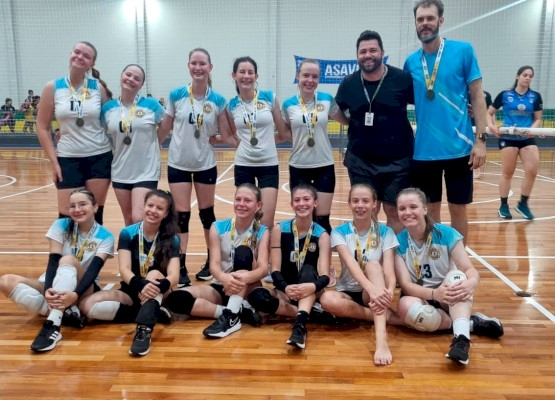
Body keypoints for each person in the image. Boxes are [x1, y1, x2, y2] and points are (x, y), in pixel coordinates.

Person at [403, 0, 488, 244]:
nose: (425, 23)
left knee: (458, 208)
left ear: (441, 20)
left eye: (430, 18)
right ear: (416, 24)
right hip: (424, 151)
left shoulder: (463, 51)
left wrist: (481, 140)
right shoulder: (411, 62)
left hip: (459, 148)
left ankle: (458, 262)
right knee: (429, 210)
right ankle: (436, 259)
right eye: (420, 20)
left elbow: (477, 95)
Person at [394, 187, 504, 365]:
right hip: (422, 296)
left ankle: (461, 341)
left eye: (413, 207)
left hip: (449, 295)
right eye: (402, 208)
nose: (407, 213)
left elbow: (468, 269)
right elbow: (406, 285)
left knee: (458, 277)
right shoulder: (398, 242)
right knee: (405, 306)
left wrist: (473, 282)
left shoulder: (447, 234)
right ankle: (470, 324)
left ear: (424, 209)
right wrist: (433, 294)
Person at [0, 189, 114, 352]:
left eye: (83, 204)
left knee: (68, 260)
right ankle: (64, 312)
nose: (77, 209)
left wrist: (76, 294)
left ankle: (52, 325)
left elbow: (93, 271)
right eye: (72, 206)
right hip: (56, 282)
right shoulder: (60, 225)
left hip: (84, 288)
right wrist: (47, 290)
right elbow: (53, 261)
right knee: (5, 282)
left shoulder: (106, 236)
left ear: (95, 207)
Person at [158, 48, 233, 287]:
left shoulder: (219, 100)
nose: (198, 68)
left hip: (205, 165)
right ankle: (179, 265)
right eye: (194, 63)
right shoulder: (176, 95)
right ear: (188, 66)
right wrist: (150, 148)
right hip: (178, 163)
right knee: (181, 217)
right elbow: (164, 128)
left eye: (203, 64)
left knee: (206, 215)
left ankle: (212, 261)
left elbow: (227, 132)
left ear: (210, 68)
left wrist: (220, 139)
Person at [80, 189, 180, 357]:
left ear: (166, 213)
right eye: (150, 205)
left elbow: (174, 276)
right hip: (132, 289)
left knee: (154, 273)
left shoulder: (172, 238)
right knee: (87, 306)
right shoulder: (128, 233)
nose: (153, 211)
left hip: (160, 290)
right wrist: (141, 285)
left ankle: (144, 330)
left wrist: (152, 285)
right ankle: (151, 313)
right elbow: (124, 269)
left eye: (159, 208)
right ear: (143, 206)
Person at [164, 183, 270, 339]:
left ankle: (231, 318)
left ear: (258, 205)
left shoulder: (262, 231)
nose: (241, 204)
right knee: (175, 299)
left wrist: (242, 279)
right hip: (222, 285)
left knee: (243, 252)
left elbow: (262, 269)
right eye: (238, 199)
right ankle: (234, 313)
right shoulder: (218, 227)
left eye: (247, 200)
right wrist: (225, 279)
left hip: (248, 287)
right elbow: (213, 265)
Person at [335, 30, 414, 234]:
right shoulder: (349, 83)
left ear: (382, 52)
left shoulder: (402, 79)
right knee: (367, 210)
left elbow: (426, 104)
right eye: (363, 51)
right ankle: (369, 258)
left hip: (398, 161)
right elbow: (335, 110)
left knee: (394, 211)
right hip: (361, 161)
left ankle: (394, 259)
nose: (368, 55)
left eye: (372, 50)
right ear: (357, 55)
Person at [319, 183, 398, 366]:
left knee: (372, 265)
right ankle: (384, 316)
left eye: (365, 201)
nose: (360, 205)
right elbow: (350, 264)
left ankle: (381, 340)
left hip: (374, 290)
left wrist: (390, 291)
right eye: (355, 201)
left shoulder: (386, 232)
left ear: (374, 205)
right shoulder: (339, 232)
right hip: (349, 290)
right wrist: (373, 290)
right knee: (327, 300)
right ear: (349, 204)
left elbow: (389, 270)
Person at [281, 59, 344, 286]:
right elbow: (284, 132)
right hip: (299, 165)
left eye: (314, 77)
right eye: (306, 75)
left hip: (325, 164)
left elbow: (345, 120)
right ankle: (302, 263)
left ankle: (325, 267)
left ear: (318, 79)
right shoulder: (288, 104)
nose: (310, 80)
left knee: (323, 218)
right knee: (302, 216)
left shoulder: (327, 100)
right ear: (298, 76)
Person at [36, 41, 112, 225]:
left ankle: (94, 254)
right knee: (67, 216)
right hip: (68, 158)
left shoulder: (98, 88)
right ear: (70, 54)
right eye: (77, 52)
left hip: (99, 156)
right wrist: (55, 163)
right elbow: (42, 126)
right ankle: (65, 255)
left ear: (92, 64)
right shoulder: (52, 87)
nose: (80, 57)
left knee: (95, 214)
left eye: (86, 56)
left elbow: (110, 122)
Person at [247, 185, 330, 349]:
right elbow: (275, 269)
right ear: (292, 204)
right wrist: (285, 288)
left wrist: (311, 287)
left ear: (316, 203)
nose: (302, 204)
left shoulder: (322, 235)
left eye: (306, 199)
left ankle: (299, 326)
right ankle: (308, 314)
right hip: (285, 290)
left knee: (308, 269)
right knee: (256, 296)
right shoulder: (279, 229)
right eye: (297, 200)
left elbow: (324, 276)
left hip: (310, 289)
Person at [227, 56, 290, 231]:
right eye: (242, 72)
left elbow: (283, 133)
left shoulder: (269, 98)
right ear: (234, 75)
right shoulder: (230, 106)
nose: (246, 76)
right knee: (245, 218)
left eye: (250, 72)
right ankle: (247, 257)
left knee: (266, 222)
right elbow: (231, 135)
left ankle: (264, 258)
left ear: (256, 76)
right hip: (243, 164)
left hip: (268, 165)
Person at [101, 64, 165, 226]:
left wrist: (156, 141)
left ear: (141, 85)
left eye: (137, 78)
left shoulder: (151, 105)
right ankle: (132, 252)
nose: (131, 79)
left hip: (146, 170)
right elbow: (96, 130)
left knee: (139, 217)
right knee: (129, 220)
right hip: (120, 170)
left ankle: (148, 250)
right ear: (121, 76)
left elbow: (167, 125)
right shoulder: (108, 108)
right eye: (128, 75)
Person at [487, 66, 543, 220]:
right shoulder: (505, 95)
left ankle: (523, 204)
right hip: (508, 137)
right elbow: (489, 112)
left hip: (527, 138)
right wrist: (492, 126)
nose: (528, 78)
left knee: (532, 171)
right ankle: (503, 206)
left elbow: (537, 118)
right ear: (518, 76)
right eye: (525, 75)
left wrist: (533, 129)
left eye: (531, 76)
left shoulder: (535, 96)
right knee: (508, 172)